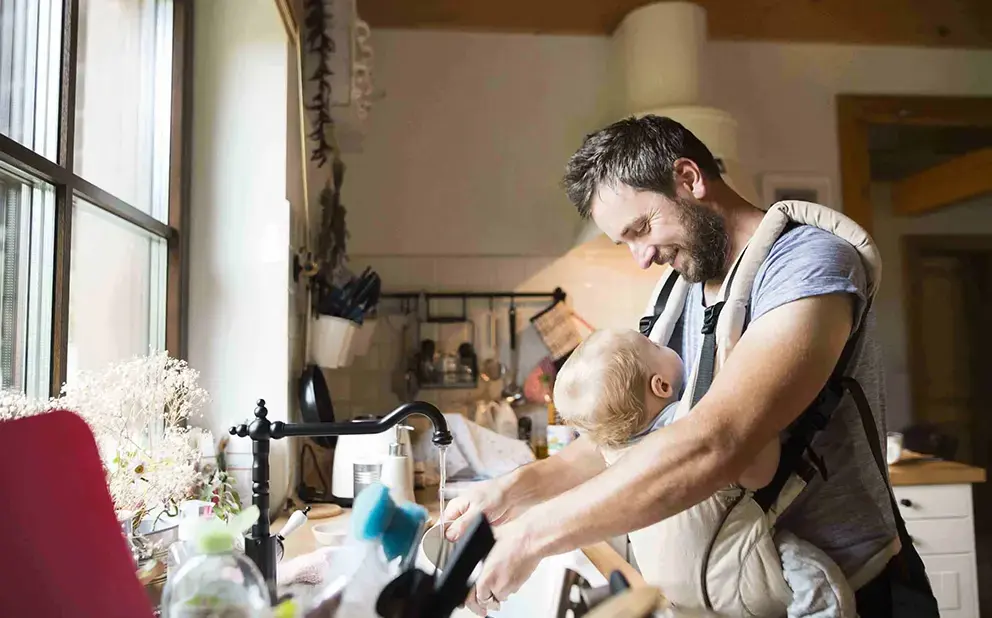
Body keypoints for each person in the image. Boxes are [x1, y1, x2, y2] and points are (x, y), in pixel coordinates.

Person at [442, 115, 936, 617]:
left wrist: (533, 535)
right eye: (625, 241)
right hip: (739, 596)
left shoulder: (807, 265)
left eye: (641, 228)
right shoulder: (679, 293)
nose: (641, 257)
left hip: (847, 592)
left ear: (689, 178)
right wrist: (511, 491)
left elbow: (718, 441)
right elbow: (622, 442)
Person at [552, 327, 856, 617]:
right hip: (745, 579)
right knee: (815, 576)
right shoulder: (691, 426)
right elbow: (759, 468)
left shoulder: (615, 456)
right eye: (655, 346)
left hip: (684, 593)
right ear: (661, 386)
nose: (662, 342)